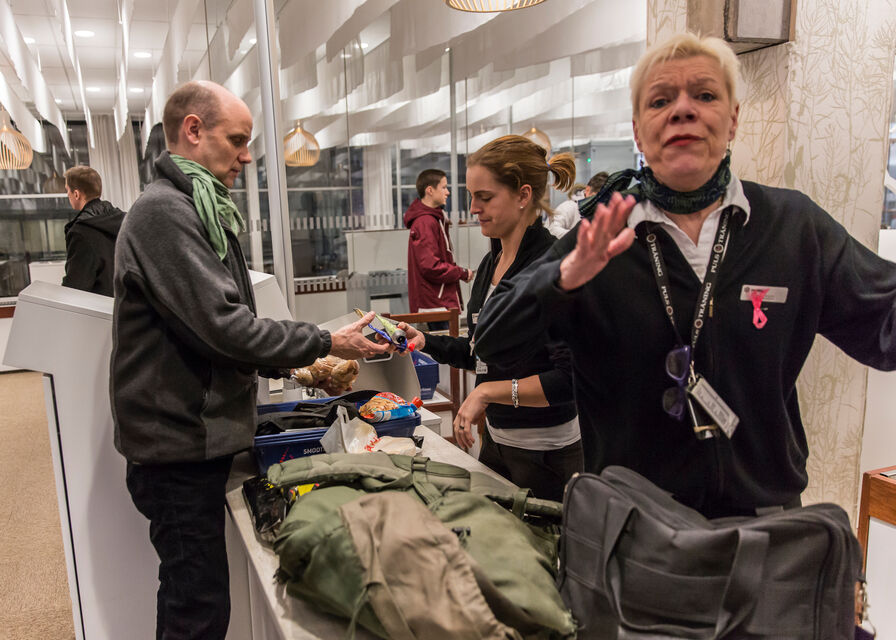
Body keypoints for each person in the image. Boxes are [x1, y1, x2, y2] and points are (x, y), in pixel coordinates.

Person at [474, 33, 896, 519]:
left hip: (766, 529)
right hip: (637, 532)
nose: (682, 110)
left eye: (705, 94)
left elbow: (884, 326)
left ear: (733, 118)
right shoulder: (601, 239)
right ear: (638, 131)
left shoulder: (793, 227)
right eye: (660, 101)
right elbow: (493, 343)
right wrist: (562, 280)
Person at [110, 80, 390, 639]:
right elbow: (224, 328)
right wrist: (324, 342)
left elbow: (216, 327)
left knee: (198, 597)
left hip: (192, 441)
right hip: (176, 451)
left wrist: (300, 362)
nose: (245, 157)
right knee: (197, 608)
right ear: (193, 130)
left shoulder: (198, 208)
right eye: (237, 140)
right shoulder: (165, 213)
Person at [399, 136, 583, 502]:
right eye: (471, 196)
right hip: (497, 444)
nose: (473, 208)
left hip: (546, 456)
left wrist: (486, 393)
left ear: (523, 195)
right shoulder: (490, 264)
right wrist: (426, 342)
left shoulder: (554, 268)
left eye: (484, 197)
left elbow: (568, 380)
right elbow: (483, 353)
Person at [404, 168, 473, 329]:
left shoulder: (433, 219)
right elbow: (431, 267)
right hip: (436, 302)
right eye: (443, 187)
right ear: (430, 190)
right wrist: (461, 273)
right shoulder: (425, 222)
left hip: (439, 300)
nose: (447, 192)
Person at [61, 165, 125, 296]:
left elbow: (76, 287)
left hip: (97, 306)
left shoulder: (81, 231)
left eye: (67, 190)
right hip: (125, 304)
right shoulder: (124, 220)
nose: (67, 194)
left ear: (76, 194)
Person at [547, 173, 609, 238]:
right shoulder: (568, 207)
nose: (599, 203)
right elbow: (552, 230)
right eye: (596, 198)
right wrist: (580, 236)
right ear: (587, 190)